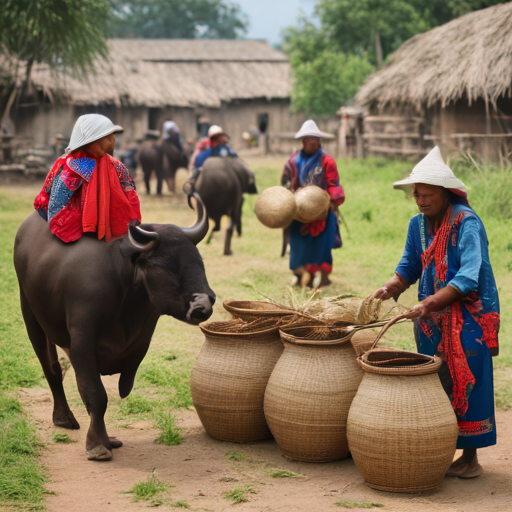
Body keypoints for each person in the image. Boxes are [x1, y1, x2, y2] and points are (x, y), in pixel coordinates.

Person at [373, 146, 499, 479]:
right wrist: (391, 287)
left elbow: (469, 275)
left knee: (466, 380)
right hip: (429, 321)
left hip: (466, 319)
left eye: (427, 194)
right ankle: (441, 447)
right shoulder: (417, 225)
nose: (421, 200)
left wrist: (427, 304)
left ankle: (470, 456)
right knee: (434, 382)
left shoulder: (467, 223)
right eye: (416, 195)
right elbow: (409, 265)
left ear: (445, 193)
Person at [34, 114, 141, 243]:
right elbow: (56, 206)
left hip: (116, 223)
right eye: (107, 137)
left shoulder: (117, 166)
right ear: (91, 140)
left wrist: (132, 221)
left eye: (112, 137)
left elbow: (131, 195)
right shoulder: (70, 166)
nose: (113, 141)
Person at [281, 119, 345, 287]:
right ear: (303, 141)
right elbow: (286, 181)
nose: (309, 142)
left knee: (322, 246)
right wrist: (290, 193)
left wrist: (328, 200)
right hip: (298, 211)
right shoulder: (293, 160)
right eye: (306, 139)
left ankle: (322, 277)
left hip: (321, 212)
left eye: (312, 139)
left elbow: (333, 184)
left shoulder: (327, 161)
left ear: (318, 141)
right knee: (297, 245)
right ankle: (299, 274)